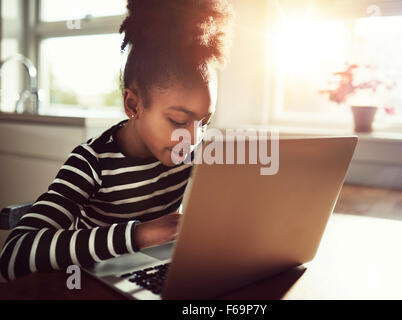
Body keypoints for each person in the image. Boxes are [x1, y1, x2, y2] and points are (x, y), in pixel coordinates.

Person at [0, 0, 235, 282]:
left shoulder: (189, 153)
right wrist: (138, 234)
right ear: (133, 105)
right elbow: (13, 255)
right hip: (90, 286)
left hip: (155, 277)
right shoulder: (92, 163)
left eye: (204, 122)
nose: (194, 139)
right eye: (178, 121)